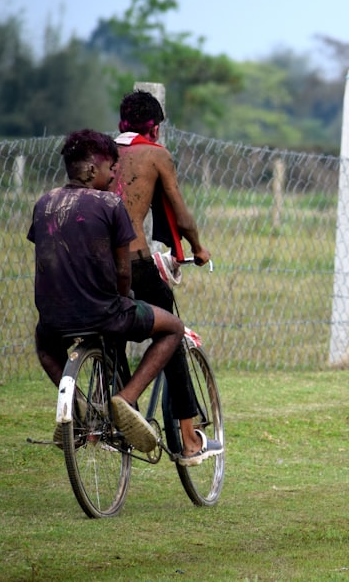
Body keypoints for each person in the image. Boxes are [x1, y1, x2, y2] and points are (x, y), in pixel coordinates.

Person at [28, 129, 185, 455]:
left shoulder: (43, 204)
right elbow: (123, 271)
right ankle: (126, 400)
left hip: (54, 319)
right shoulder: (111, 205)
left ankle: (80, 406)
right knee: (173, 327)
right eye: (111, 169)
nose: (116, 177)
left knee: (44, 346)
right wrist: (125, 297)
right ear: (89, 170)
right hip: (104, 311)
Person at [111, 90, 219, 465]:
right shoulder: (156, 155)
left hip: (95, 266)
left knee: (110, 331)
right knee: (170, 333)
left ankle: (114, 416)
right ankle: (189, 441)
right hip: (136, 261)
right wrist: (198, 248)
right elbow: (180, 212)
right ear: (154, 127)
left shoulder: (98, 155)